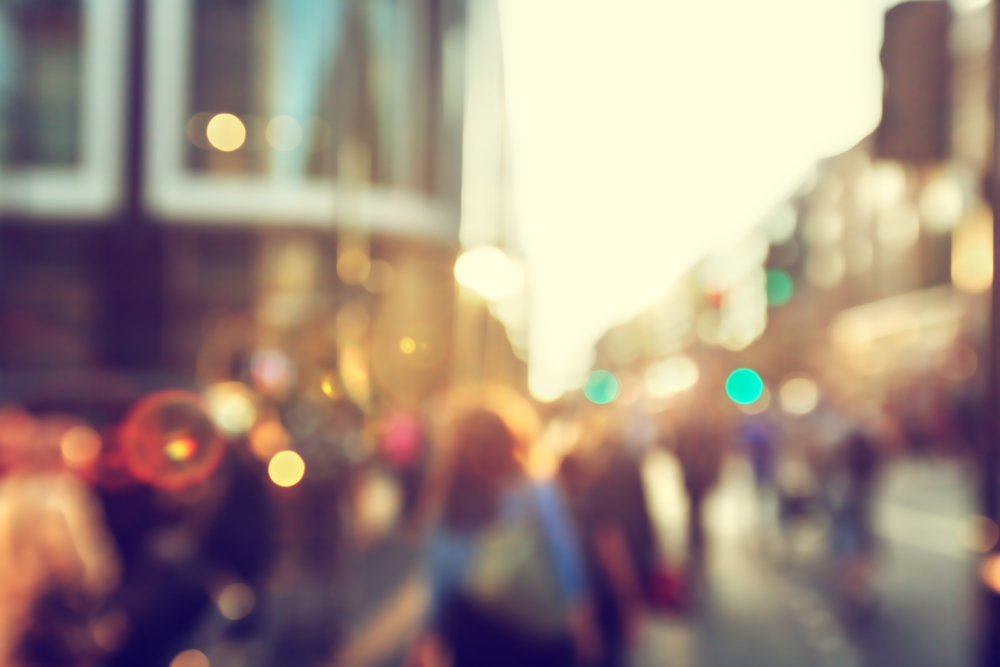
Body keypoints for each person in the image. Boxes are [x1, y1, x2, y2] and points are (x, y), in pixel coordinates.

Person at [413, 410, 599, 667]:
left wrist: (429, 636)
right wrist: (583, 621)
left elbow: (439, 585)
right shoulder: (536, 491)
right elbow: (564, 556)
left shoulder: (443, 507)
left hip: (473, 641)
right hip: (539, 638)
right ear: (509, 443)